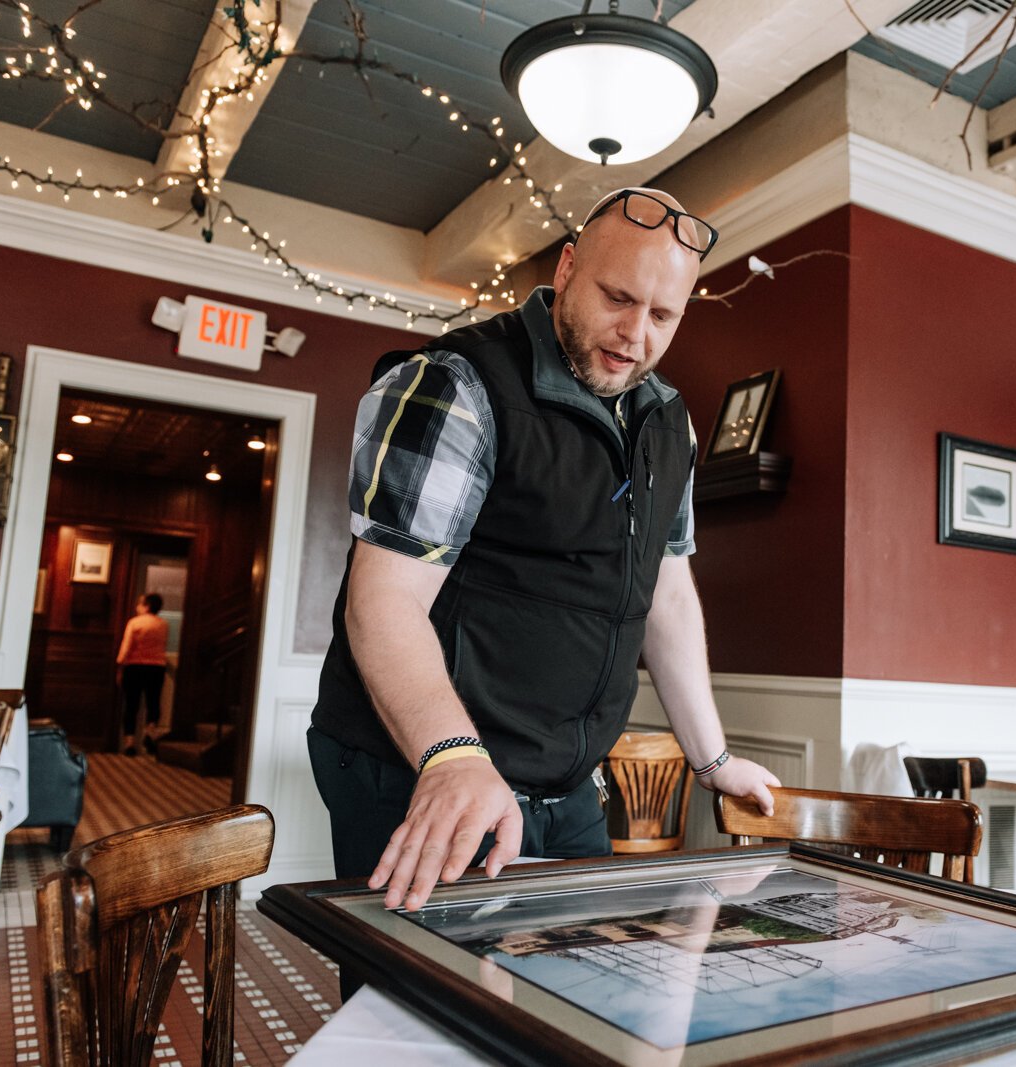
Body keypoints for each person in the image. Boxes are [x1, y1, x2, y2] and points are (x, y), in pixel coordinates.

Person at [308, 186, 779, 939]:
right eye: (617, 297)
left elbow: (669, 595)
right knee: (435, 1028)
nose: (634, 334)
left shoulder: (670, 422)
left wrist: (713, 759)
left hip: (569, 789)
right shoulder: (455, 385)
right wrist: (453, 758)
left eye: (663, 316)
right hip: (424, 769)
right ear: (565, 270)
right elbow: (383, 600)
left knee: (577, 1006)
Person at [116, 593, 168, 755]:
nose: (137, 606)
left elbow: (126, 647)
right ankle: (149, 732)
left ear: (146, 606)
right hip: (156, 667)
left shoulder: (134, 623)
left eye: (139, 604)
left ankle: (129, 743)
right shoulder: (163, 624)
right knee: (153, 702)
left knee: (132, 704)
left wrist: (120, 666)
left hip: (135, 667)